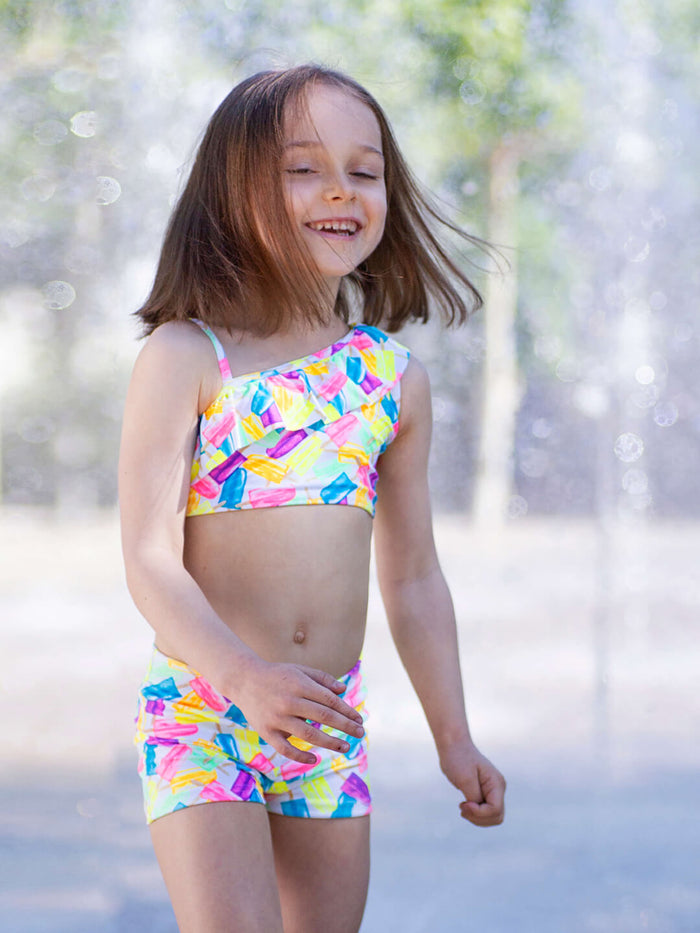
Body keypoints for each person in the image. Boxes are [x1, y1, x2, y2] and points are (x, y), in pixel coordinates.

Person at [119, 63, 506, 933]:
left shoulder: (391, 380)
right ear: (233, 190)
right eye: (304, 168)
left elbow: (411, 580)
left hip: (327, 726)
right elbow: (147, 558)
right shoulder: (188, 357)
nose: (340, 190)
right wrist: (242, 676)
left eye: (363, 171)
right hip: (207, 703)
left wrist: (455, 737)